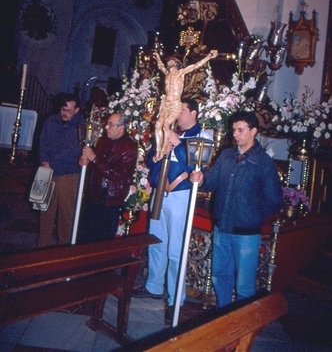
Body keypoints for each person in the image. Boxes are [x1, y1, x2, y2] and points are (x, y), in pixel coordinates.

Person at [190, 110, 283, 309]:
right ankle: (222, 316)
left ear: (253, 131)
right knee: (220, 276)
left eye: (241, 130)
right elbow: (212, 180)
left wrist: (252, 214)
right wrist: (202, 179)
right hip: (222, 227)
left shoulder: (263, 163)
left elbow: (274, 200)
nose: (236, 134)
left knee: (244, 285)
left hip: (246, 234)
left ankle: (242, 327)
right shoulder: (227, 156)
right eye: (234, 130)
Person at [132, 98, 212, 324]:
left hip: (180, 196)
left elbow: (198, 167)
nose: (178, 115)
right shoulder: (170, 132)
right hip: (160, 195)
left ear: (194, 113)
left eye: (183, 111)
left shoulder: (203, 136)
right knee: (157, 243)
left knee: (176, 249)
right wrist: (157, 152)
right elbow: (150, 158)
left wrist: (177, 144)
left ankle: (175, 299)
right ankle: (154, 287)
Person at [78, 112, 137, 242]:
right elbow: (96, 165)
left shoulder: (129, 148)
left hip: (110, 198)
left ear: (121, 128)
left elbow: (116, 174)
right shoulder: (103, 141)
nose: (106, 127)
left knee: (102, 239)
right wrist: (86, 162)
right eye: (107, 124)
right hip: (93, 194)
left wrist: (94, 158)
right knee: (85, 235)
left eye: (110, 125)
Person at [37, 94, 84, 247]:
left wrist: (51, 164)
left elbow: (75, 151)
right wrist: (44, 162)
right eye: (63, 109)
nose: (65, 113)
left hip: (67, 175)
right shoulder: (51, 121)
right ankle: (41, 247)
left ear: (76, 110)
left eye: (69, 111)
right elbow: (42, 142)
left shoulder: (81, 126)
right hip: (46, 171)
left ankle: (64, 248)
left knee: (66, 214)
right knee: (44, 212)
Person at [153, 49, 217, 161]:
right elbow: (160, 66)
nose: (169, 64)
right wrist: (158, 56)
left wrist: (208, 57)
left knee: (165, 126)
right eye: (168, 63)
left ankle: (163, 150)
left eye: (171, 62)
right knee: (158, 125)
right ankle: (159, 150)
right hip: (166, 103)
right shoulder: (167, 74)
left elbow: (196, 65)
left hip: (174, 104)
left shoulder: (181, 73)